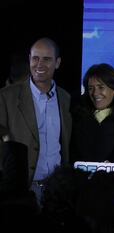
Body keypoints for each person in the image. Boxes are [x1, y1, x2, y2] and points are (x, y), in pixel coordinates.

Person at [0, 37, 72, 201]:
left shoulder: (65, 98)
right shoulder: (6, 97)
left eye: (46, 59)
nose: (39, 64)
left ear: (57, 63)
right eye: (35, 58)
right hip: (21, 192)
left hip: (57, 191)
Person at [70, 63, 114, 163]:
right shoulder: (76, 115)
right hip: (79, 176)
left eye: (101, 87)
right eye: (91, 88)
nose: (95, 93)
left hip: (113, 177)